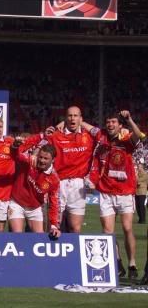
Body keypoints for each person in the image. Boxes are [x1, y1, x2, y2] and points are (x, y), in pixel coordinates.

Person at [90, 110, 142, 279]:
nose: (110, 124)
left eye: (113, 122)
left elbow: (139, 136)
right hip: (106, 191)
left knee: (127, 228)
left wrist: (129, 119)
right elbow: (87, 127)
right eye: (108, 122)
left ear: (120, 126)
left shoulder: (126, 140)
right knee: (107, 231)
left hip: (125, 192)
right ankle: (117, 262)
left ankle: (132, 263)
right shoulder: (103, 139)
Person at [36, 106, 99, 233]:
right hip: (59, 183)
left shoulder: (89, 137)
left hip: (79, 185)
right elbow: (39, 149)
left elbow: (102, 134)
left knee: (75, 227)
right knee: (54, 226)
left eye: (76, 116)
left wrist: (83, 124)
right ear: (65, 118)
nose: (72, 118)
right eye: (69, 116)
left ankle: (73, 252)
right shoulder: (55, 135)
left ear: (81, 118)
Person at [9, 142, 61, 237]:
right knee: (17, 236)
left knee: (40, 238)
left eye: (46, 159)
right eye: (40, 157)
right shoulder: (30, 160)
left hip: (35, 208)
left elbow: (54, 202)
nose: (41, 160)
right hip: (17, 203)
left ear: (53, 160)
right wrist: (15, 147)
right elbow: (15, 156)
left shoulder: (54, 179)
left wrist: (54, 225)